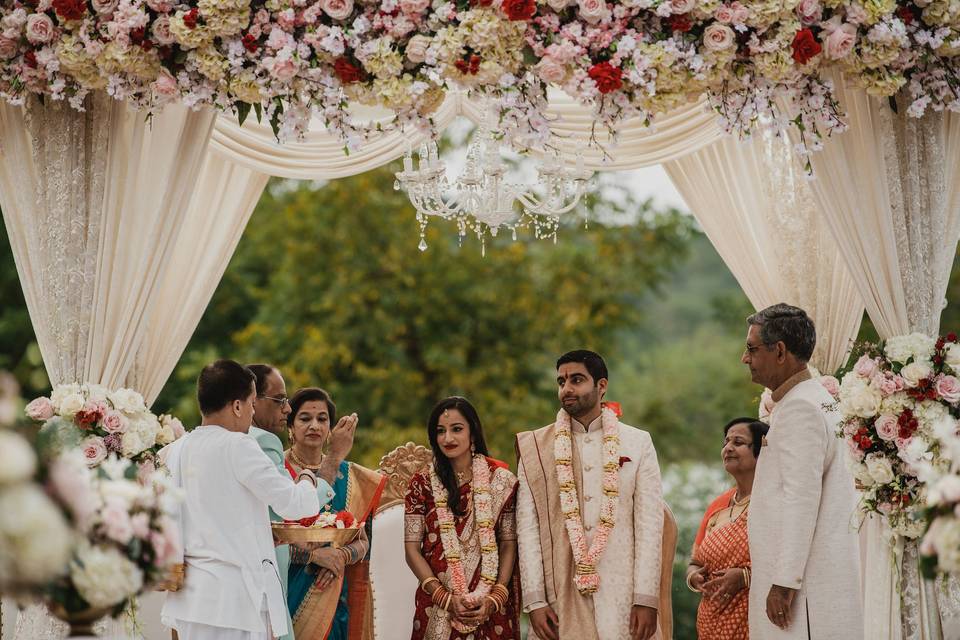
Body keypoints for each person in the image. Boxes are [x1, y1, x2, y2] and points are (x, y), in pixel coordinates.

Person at [160, 359, 327, 640]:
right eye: (251, 403)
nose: (252, 413)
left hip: (191, 599)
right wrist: (309, 478)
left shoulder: (176, 449)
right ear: (237, 406)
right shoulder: (238, 445)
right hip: (234, 601)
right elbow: (294, 505)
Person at [515, 350, 664, 640]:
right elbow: (527, 528)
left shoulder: (637, 442)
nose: (566, 389)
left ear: (602, 385)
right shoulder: (536, 447)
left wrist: (645, 598)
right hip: (558, 594)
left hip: (621, 595)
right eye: (561, 381)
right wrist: (535, 601)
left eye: (577, 379)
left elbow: (650, 526)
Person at [740, 304, 862, 639]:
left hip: (803, 588)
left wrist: (784, 581)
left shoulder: (799, 408)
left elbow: (800, 498)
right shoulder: (817, 397)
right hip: (819, 573)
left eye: (751, 348)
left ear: (779, 351)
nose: (744, 358)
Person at [404, 396, 520, 640]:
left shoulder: (501, 482)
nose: (448, 438)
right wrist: (443, 597)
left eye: (456, 429)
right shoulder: (422, 484)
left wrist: (495, 596)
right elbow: (411, 549)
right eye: (440, 431)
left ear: (473, 434)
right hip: (437, 603)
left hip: (490, 606)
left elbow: (508, 543)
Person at [284, 387, 387, 640]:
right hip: (287, 589)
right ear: (290, 427)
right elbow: (267, 539)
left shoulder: (349, 474)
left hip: (335, 593)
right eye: (305, 418)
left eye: (322, 419)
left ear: (330, 428)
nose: (314, 425)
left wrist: (340, 555)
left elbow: (363, 540)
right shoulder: (277, 472)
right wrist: (315, 556)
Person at [687, 418, 769, 640]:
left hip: (759, 618)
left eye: (738, 442)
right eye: (726, 442)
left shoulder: (773, 502)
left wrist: (745, 577)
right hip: (711, 619)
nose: (728, 448)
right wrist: (694, 577)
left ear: (760, 451)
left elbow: (788, 561)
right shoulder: (717, 506)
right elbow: (695, 562)